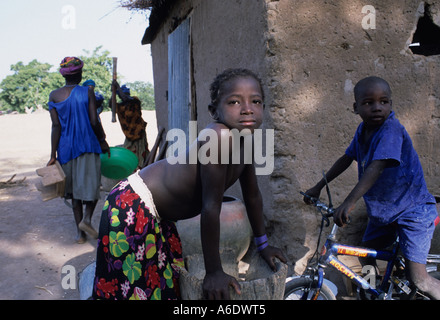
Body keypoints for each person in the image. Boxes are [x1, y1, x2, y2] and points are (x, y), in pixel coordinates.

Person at [93, 68, 287, 300]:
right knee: (129, 289)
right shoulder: (218, 137)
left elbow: (253, 196)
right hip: (132, 206)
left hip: (158, 216)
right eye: (234, 102)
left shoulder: (247, 141)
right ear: (214, 111)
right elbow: (210, 207)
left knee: (160, 285)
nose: (247, 108)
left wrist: (263, 245)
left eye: (256, 101)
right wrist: (214, 272)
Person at [303, 76, 440, 299]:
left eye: (383, 102)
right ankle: (373, 293)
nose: (377, 108)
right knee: (366, 253)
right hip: (387, 212)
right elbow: (347, 158)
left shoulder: (391, 130)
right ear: (356, 108)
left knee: (420, 279)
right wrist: (318, 186)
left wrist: (349, 202)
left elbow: (376, 167)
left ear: (391, 105)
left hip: (412, 211)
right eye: (369, 103)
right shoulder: (363, 130)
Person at [48, 57, 110, 244]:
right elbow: (93, 120)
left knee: (74, 191)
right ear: (80, 74)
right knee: (92, 186)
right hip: (88, 144)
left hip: (65, 149)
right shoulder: (87, 92)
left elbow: (55, 127)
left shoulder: (54, 95)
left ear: (63, 75)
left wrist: (52, 155)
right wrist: (103, 140)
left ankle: (80, 235)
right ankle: (87, 219)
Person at [112, 80, 149, 168]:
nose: (125, 95)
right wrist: (113, 92)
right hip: (129, 136)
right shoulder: (120, 107)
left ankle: (142, 169)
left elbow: (126, 98)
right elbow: (111, 103)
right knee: (129, 155)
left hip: (139, 133)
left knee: (141, 154)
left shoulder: (134, 101)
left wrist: (117, 87)